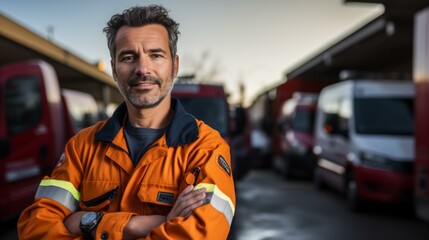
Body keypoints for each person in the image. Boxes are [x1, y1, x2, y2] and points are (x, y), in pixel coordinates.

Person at [17, 4, 235, 239]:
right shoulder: (81, 147)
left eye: (156, 55)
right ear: (113, 69)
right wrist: (140, 225)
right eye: (128, 57)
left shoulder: (206, 148)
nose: (142, 69)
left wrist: (83, 222)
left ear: (175, 65)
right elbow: (35, 228)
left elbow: (201, 235)